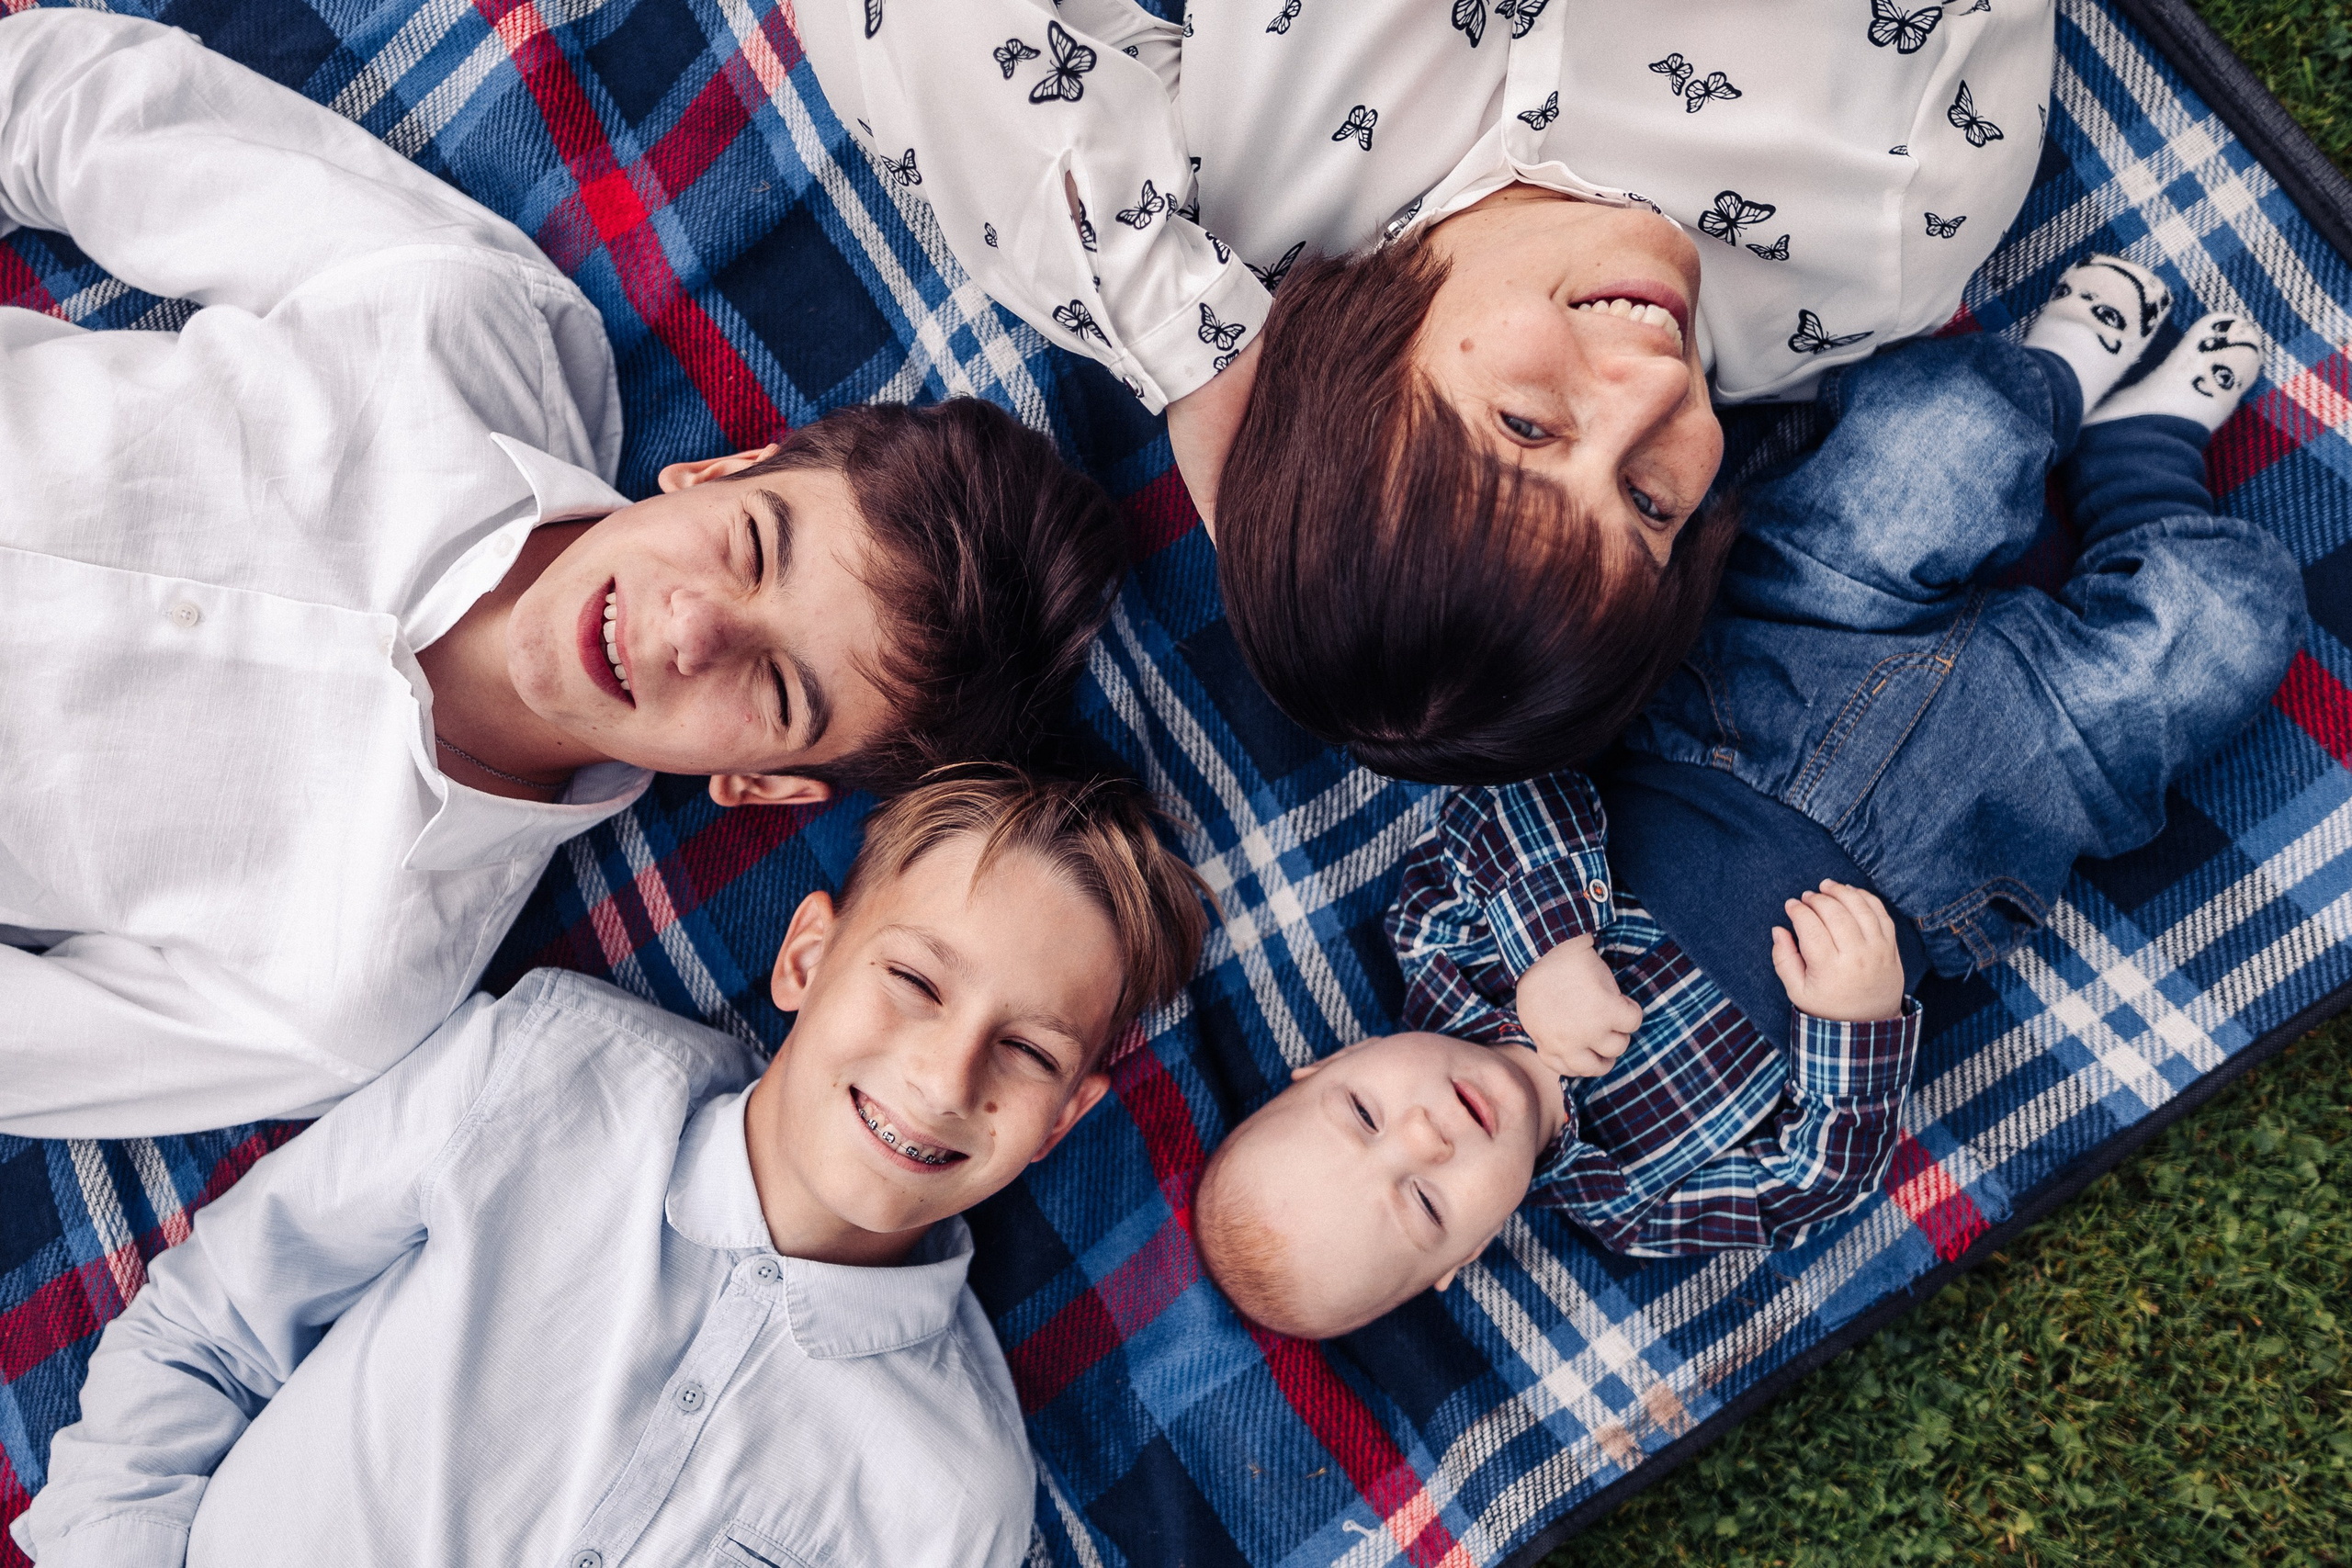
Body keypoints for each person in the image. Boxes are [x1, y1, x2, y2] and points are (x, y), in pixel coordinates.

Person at [0, 11, 1125, 1139]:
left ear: (768, 785)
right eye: (751, 546)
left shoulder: (348, 994)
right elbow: (63, 105)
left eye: (777, 690)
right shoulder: (464, 321)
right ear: (720, 471)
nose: (692, 629)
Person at [1191, 257, 2307, 1338]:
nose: (1425, 1135)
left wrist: (1548, 951)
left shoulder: (1437, 940)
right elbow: (1814, 1179)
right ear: (1461, 1265)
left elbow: (1508, 792)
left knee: (1933, 446)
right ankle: (2142, 464)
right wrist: (1852, 1027)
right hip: (1971, 823)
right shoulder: (1637, 1203)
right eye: (1426, 1204)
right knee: (2230, 625)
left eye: (1363, 1115)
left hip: (1767, 675)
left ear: (1326, 1064)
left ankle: (2054, 377)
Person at [791, 0, 2055, 778]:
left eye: (1527, 425)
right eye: (1652, 505)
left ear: (1356, 399)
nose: (1650, 392)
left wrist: (1191, 354)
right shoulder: (1889, 227)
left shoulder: (1237, 219)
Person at [11, 766, 1211, 1568]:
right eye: (915, 979)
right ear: (807, 955)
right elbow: (207, 1329)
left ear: (1061, 1119)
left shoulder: (953, 1501)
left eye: (1024, 1048)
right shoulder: (543, 1071)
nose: (946, 1077)